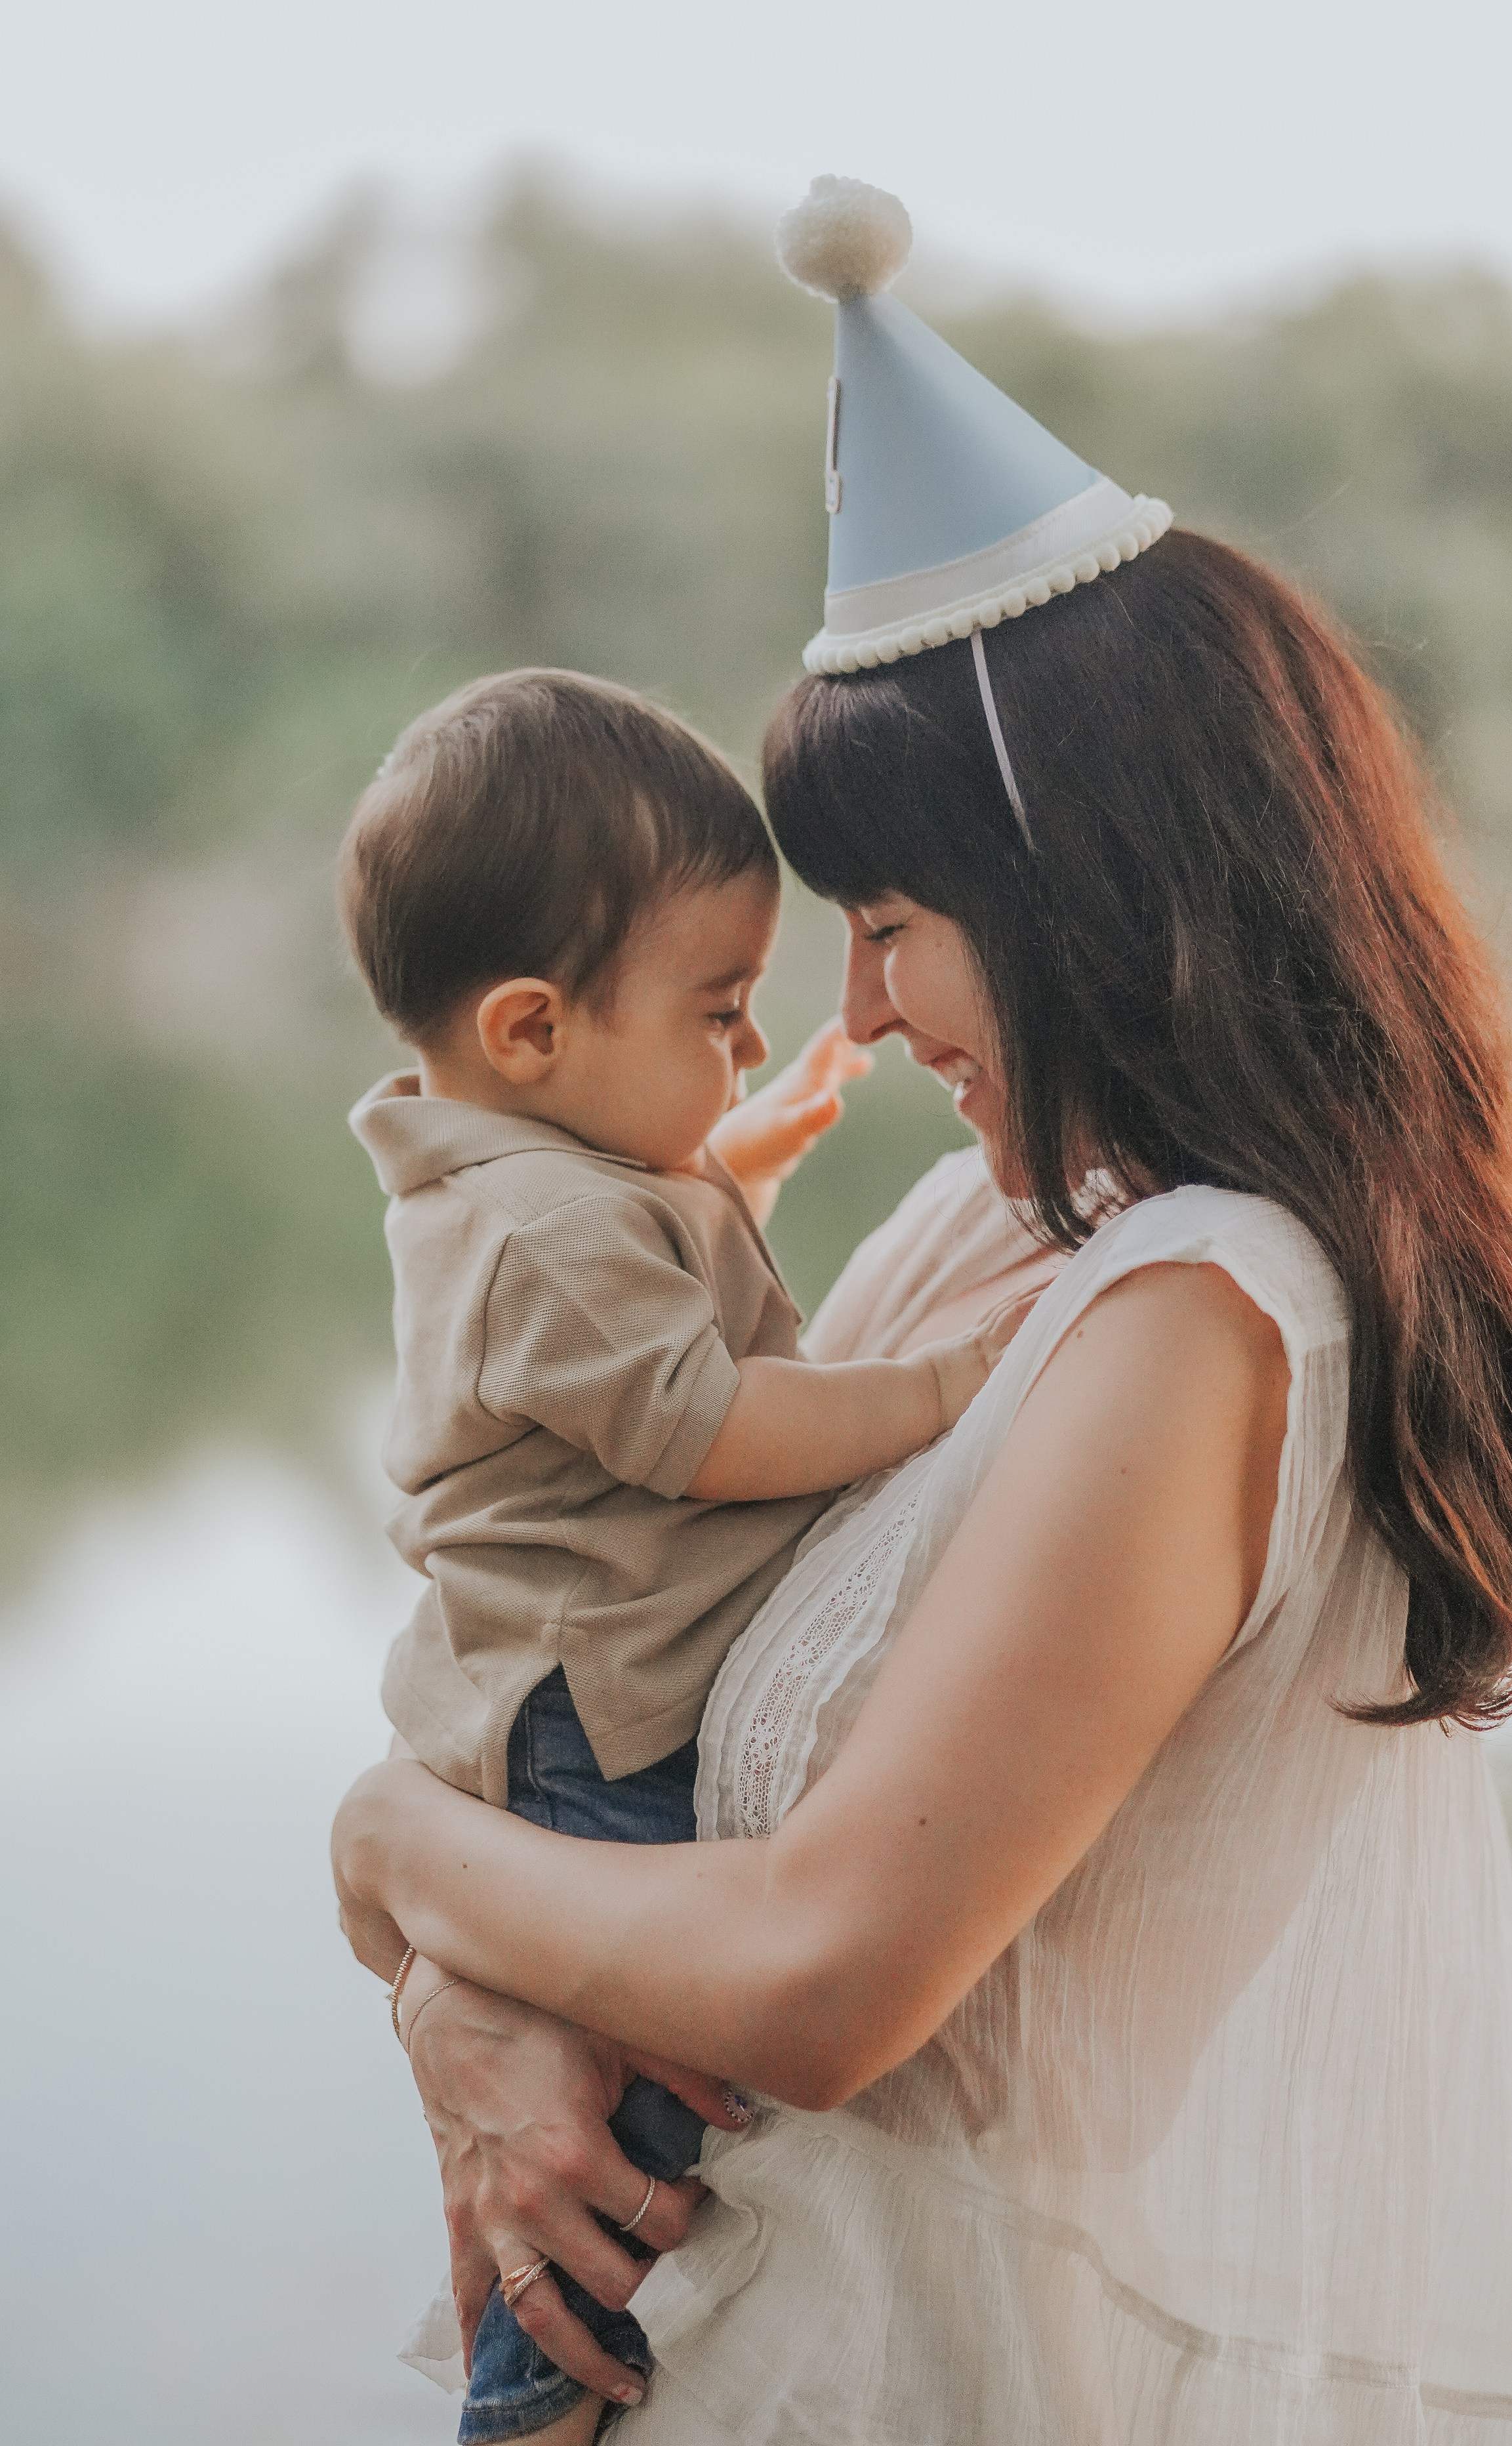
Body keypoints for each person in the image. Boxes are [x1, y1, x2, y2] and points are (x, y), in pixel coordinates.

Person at [331, 184, 1512, 2442]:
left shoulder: (1205, 1319)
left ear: (1092, 906)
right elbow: (619, 1612)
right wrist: (454, 2000)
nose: (854, 1002)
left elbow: (819, 1976)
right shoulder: (1013, 1228)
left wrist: (387, 1854)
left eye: (892, 919)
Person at [338, 665, 1023, 2440]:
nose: (743, 1051)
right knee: (622, 2106)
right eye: (719, 1014)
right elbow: (705, 1426)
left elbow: (648, 1321)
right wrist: (938, 1387)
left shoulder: (544, 1179)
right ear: (529, 1033)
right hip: (599, 1725)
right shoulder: (545, 1229)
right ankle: (534, 2400)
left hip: (582, 1688)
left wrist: (743, 1168)